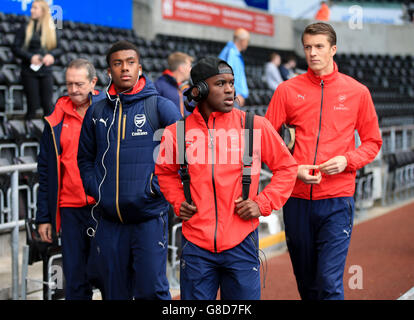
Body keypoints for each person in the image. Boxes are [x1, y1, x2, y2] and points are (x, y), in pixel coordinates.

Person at [155, 56, 298, 300]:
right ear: (199, 90)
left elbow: (287, 168)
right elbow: (165, 173)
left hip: (242, 244)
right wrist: (178, 201)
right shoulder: (176, 132)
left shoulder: (255, 126)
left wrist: (262, 203)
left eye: (231, 82)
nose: (230, 88)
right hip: (196, 246)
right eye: (220, 83)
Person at [265, 22, 382, 300]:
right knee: (307, 286)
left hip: (337, 200)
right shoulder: (286, 90)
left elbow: (372, 142)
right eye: (308, 47)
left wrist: (347, 160)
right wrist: (294, 170)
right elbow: (265, 141)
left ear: (333, 49)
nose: (313, 53)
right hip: (297, 200)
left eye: (319, 47)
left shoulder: (357, 92)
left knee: (329, 284)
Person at [77, 41, 182, 300]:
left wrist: (156, 188)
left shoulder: (160, 107)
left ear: (140, 67)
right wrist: (97, 188)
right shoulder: (96, 111)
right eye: (118, 63)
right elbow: (85, 158)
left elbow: (185, 155)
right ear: (109, 71)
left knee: (152, 292)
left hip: (148, 219)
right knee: (114, 293)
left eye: (130, 62)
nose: (125, 68)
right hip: (110, 222)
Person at [36, 59, 105, 300]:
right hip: (70, 210)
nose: (74, 89)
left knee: (110, 276)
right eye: (69, 84)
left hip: (103, 207)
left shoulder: (109, 110)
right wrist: (43, 217)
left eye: (79, 84)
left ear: (93, 82)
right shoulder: (56, 118)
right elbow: (45, 171)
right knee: (75, 280)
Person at [12, 0, 62, 120]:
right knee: (32, 106)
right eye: (32, 8)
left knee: (48, 106)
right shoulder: (24, 28)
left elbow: (59, 49)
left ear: (43, 11)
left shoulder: (52, 29)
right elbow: (15, 48)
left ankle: (48, 135)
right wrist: (30, 57)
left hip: (46, 71)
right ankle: (28, 133)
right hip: (29, 72)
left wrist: (51, 55)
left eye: (35, 8)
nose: (31, 10)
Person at [155, 52, 193, 117]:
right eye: (189, 66)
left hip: (184, 126)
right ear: (181, 68)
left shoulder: (186, 88)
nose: (191, 69)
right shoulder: (159, 86)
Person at [219, 28, 250, 107]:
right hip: (233, 96)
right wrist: (235, 94)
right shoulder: (231, 53)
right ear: (242, 40)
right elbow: (226, 75)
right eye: (247, 41)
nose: (247, 43)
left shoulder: (234, 53)